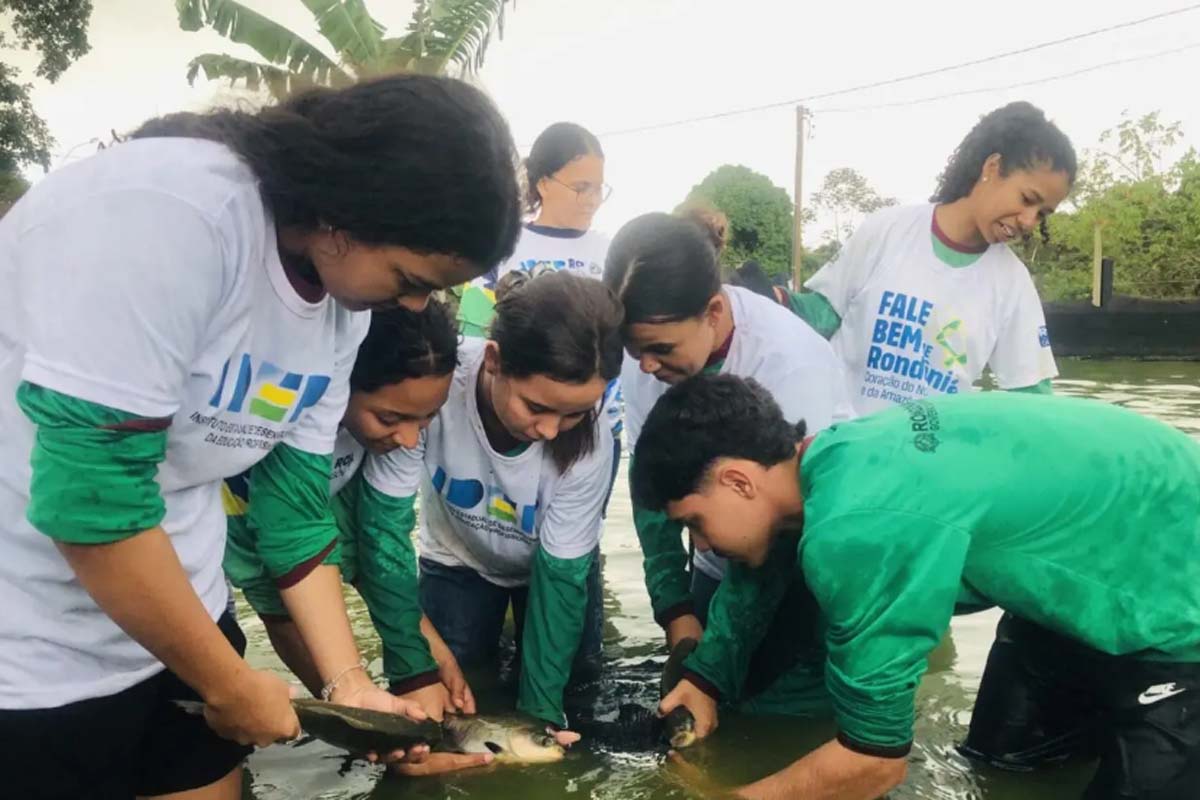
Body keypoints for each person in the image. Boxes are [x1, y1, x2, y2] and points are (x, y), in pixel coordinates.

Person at [0, 74, 521, 800]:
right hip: (24, 645)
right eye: (409, 276)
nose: (414, 304)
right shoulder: (172, 213)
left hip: (180, 612)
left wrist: (349, 685)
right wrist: (230, 681)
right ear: (345, 211)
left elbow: (295, 512)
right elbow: (89, 502)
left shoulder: (345, 308)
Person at [635, 373, 1200, 800]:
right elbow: (767, 566)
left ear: (737, 480)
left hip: (1176, 595)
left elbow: (877, 762)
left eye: (694, 523)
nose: (701, 546)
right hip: (1070, 581)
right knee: (1002, 767)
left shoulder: (857, 530)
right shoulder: (834, 458)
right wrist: (705, 680)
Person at [221, 302, 494, 776]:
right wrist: (356, 707)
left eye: (426, 419)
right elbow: (281, 589)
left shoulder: (386, 435)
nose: (409, 439)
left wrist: (425, 654)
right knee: (276, 608)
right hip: (239, 516)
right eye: (390, 419)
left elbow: (381, 545)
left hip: (327, 494)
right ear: (342, 380)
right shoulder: (290, 428)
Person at [602, 212, 851, 712]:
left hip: (803, 558)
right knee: (700, 699)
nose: (647, 366)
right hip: (720, 544)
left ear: (713, 311)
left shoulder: (791, 363)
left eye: (660, 349)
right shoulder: (647, 359)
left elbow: (781, 532)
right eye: (635, 351)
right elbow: (655, 487)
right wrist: (676, 611)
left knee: (780, 710)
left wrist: (716, 666)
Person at [363, 272, 623, 737]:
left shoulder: (594, 443)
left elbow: (561, 577)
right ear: (494, 361)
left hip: (551, 566)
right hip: (457, 559)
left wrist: (539, 724)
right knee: (443, 703)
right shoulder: (432, 385)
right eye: (536, 407)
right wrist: (414, 667)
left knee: (574, 694)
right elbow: (382, 533)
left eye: (575, 413)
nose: (550, 430)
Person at [794, 102, 1075, 414]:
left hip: (927, 458)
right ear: (992, 168)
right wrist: (768, 302)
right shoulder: (887, 230)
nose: (1028, 221)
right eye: (1027, 199)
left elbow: (1033, 400)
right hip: (838, 446)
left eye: (1042, 214)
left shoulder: (1013, 284)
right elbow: (819, 319)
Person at [458, 121, 613, 337]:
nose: (592, 200)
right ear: (544, 184)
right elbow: (472, 336)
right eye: (581, 188)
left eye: (598, 188)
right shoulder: (502, 246)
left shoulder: (612, 252)